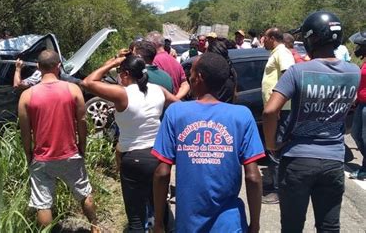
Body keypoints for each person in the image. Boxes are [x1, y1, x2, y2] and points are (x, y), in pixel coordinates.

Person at [263, 11, 360, 232]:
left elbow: (270, 111)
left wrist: (272, 144)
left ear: (311, 38)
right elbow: (350, 105)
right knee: (329, 226)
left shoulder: (298, 72)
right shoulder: (353, 72)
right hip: (334, 160)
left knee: (292, 225)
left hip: (297, 160)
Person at [152, 52, 265, 233]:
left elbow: (162, 172)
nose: (189, 78)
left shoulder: (176, 113)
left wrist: (158, 222)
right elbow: (253, 177)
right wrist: (255, 224)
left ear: (199, 78)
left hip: (188, 224)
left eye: (191, 74)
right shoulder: (242, 115)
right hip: (230, 225)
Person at [81, 53, 177, 232]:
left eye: (119, 72)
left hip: (133, 158)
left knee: (135, 218)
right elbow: (178, 105)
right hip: (158, 156)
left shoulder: (122, 93)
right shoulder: (158, 90)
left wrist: (112, 62)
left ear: (125, 74)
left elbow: (87, 82)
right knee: (159, 207)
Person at [18, 50, 99, 231]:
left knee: (43, 203)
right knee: (84, 193)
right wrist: (82, 147)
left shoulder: (26, 96)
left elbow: (25, 132)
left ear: (38, 67)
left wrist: (28, 155)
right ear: (59, 66)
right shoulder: (73, 89)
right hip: (70, 153)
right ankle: (94, 227)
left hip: (41, 158)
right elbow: (82, 122)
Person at [261, 28, 295, 204]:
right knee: (274, 147)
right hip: (277, 109)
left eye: (264, 38)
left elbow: (288, 74)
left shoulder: (283, 52)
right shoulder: (276, 52)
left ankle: (279, 191)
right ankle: (276, 185)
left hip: (281, 110)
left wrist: (279, 103)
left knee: (276, 148)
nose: (262, 41)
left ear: (272, 38)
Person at [146, 31, 190, 99]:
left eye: (147, 45)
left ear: (152, 44)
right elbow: (185, 85)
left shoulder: (153, 62)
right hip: (175, 105)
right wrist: (176, 99)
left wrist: (172, 100)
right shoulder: (175, 61)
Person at [350, 31, 366, 180]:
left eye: (360, 46)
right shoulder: (364, 61)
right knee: (355, 134)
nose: (357, 49)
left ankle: (365, 168)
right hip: (361, 103)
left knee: (365, 137)